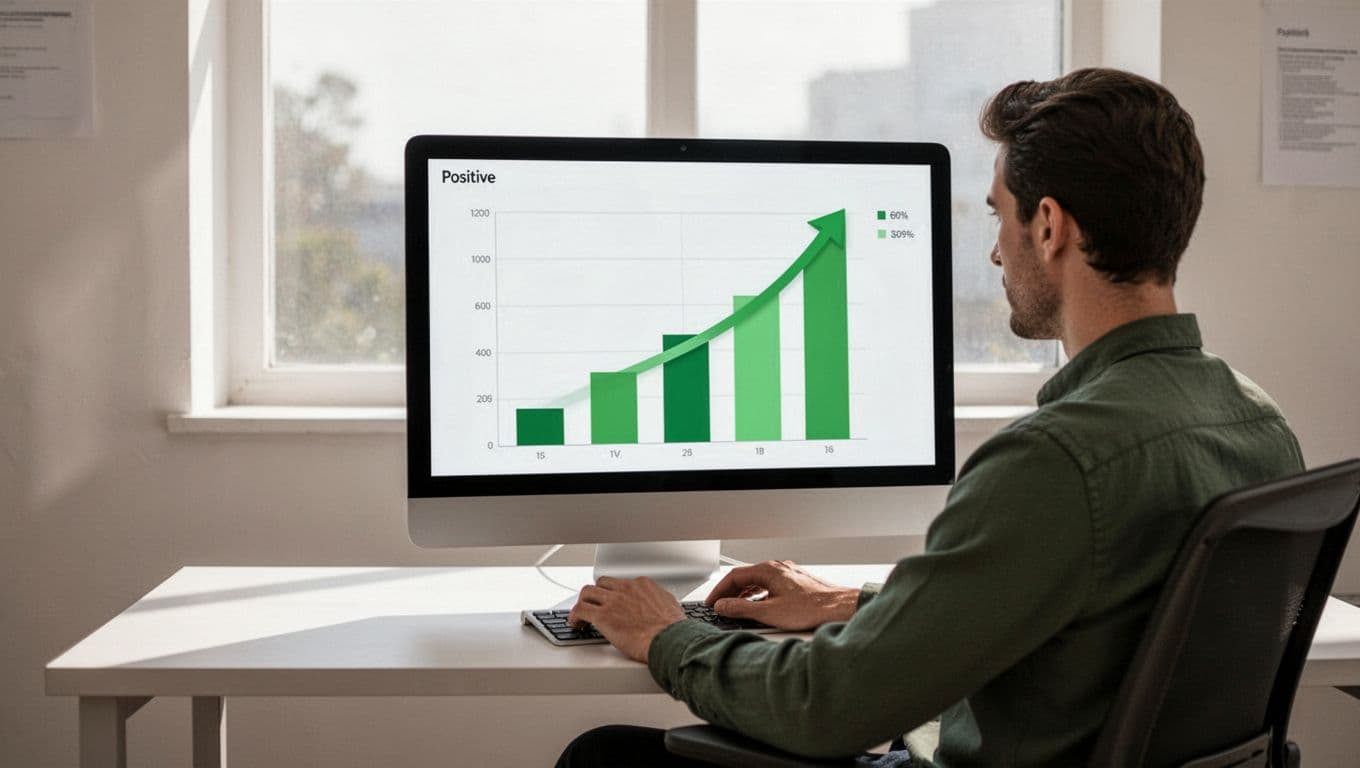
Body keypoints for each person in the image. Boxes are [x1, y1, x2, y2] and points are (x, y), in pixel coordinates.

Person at [555, 68, 1305, 768]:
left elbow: (826, 708)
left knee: (605, 757)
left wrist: (665, 634)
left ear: (1049, 226)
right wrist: (854, 605)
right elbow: (1101, 625)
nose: (994, 253)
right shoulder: (1254, 419)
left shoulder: (1056, 460)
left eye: (998, 217)